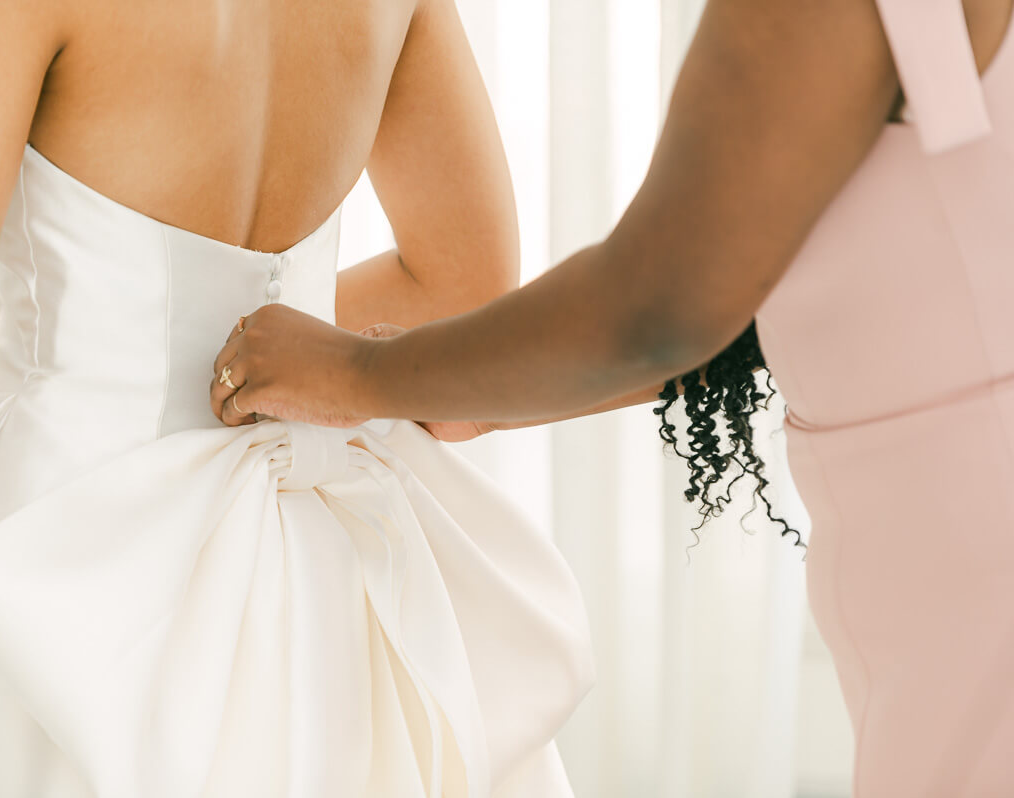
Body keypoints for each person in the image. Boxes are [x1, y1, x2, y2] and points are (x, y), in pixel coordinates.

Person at [212, 0, 1014, 794]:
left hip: (973, 559)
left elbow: (660, 304)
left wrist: (356, 374)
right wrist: (474, 388)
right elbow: (762, 275)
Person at [0, 0, 596, 795]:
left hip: (57, 537)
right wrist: (268, 352)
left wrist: (41, 340)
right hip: (315, 549)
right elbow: (463, 285)